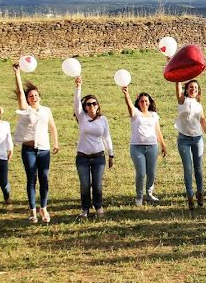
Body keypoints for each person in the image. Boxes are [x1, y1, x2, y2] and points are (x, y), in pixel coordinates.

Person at [13, 63, 59, 224]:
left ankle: (43, 207)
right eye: (30, 96)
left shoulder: (46, 110)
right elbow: (19, 92)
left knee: (44, 178)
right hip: (29, 150)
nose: (34, 97)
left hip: (44, 149)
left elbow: (52, 126)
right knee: (31, 178)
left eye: (36, 95)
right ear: (27, 99)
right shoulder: (25, 109)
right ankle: (33, 210)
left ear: (39, 96)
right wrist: (17, 74)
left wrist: (56, 143)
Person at [72, 77, 114, 219]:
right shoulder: (82, 117)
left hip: (98, 157)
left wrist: (111, 154)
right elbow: (76, 104)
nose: (91, 106)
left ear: (97, 106)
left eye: (94, 104)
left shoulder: (103, 120)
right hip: (82, 157)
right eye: (88, 104)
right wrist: (78, 87)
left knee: (97, 185)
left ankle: (98, 206)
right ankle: (85, 209)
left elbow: (107, 137)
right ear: (85, 107)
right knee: (85, 185)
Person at [122, 86, 168, 206]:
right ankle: (139, 196)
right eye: (142, 101)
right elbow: (130, 106)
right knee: (141, 173)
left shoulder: (153, 115)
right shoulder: (136, 114)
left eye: (146, 101)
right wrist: (126, 94)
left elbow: (157, 131)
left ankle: (149, 193)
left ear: (149, 102)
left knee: (151, 172)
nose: (144, 103)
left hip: (152, 147)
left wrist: (163, 144)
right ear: (138, 103)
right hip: (137, 147)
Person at [175, 79, 206, 209]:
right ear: (186, 90)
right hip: (184, 139)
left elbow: (202, 120)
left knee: (198, 168)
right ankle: (190, 196)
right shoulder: (182, 101)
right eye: (191, 87)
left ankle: (200, 193)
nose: (193, 90)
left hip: (197, 138)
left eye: (196, 88)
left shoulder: (198, 105)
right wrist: (177, 76)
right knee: (188, 168)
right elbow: (177, 87)